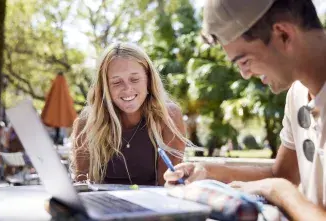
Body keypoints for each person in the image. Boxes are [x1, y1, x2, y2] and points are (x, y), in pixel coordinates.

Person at [164, 0, 326, 219]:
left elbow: (279, 184)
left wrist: (277, 190)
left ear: (283, 35)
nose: (245, 74)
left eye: (245, 61)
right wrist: (208, 172)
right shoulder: (297, 94)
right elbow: (281, 174)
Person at [71, 42, 191, 186]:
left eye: (134, 79)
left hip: (153, 206)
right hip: (104, 205)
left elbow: (167, 185)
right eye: (116, 82)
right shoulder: (88, 121)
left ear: (148, 80)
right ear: (105, 87)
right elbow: (82, 184)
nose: (127, 88)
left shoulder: (168, 116)